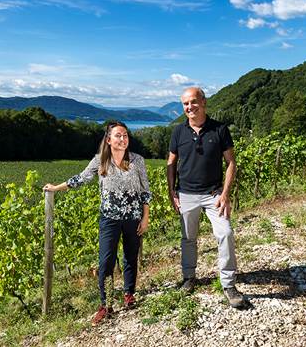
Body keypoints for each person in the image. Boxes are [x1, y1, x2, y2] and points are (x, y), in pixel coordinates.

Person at [43, 121, 151, 325]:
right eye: (118, 135)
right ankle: (106, 304)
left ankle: (129, 295)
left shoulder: (138, 160)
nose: (123, 139)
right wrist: (56, 188)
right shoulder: (100, 161)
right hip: (109, 220)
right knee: (106, 262)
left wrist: (145, 218)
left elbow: (145, 191)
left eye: (125, 135)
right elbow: (81, 179)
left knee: (130, 258)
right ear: (108, 140)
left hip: (133, 218)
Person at [167, 87, 245, 308]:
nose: (189, 107)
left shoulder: (219, 129)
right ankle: (189, 277)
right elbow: (171, 164)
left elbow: (231, 162)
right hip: (186, 195)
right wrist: (171, 192)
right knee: (188, 239)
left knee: (226, 234)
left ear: (203, 102)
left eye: (193, 102)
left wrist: (226, 194)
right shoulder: (178, 132)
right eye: (185, 104)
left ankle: (229, 285)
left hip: (214, 195)